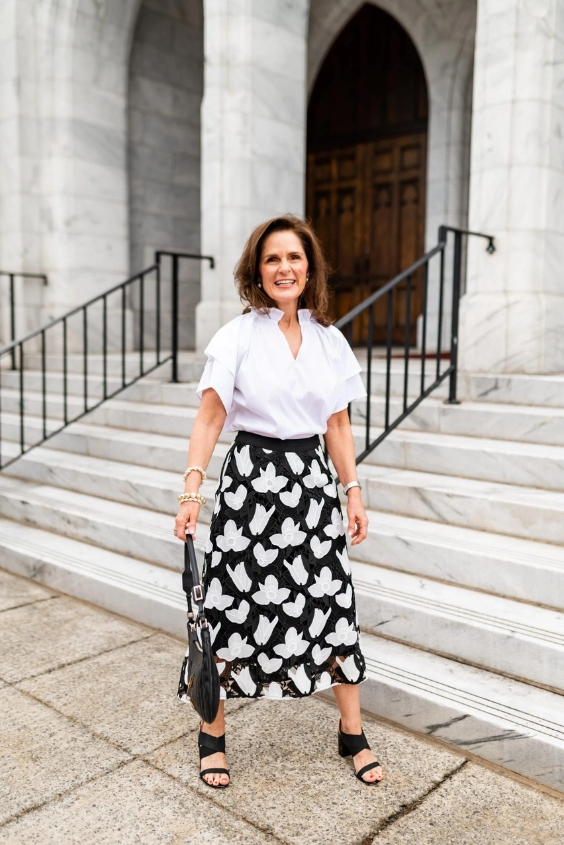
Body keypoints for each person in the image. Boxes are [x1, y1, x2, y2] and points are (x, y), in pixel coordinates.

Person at [174, 214, 384, 789]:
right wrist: (192, 489)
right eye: (272, 259)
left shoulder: (328, 339)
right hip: (251, 485)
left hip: (312, 485)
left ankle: (352, 732)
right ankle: (211, 733)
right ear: (256, 271)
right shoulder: (237, 336)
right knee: (228, 607)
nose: (284, 268)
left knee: (333, 604)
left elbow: (337, 425)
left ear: (308, 267)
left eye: (293, 257)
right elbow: (210, 417)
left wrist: (353, 490)